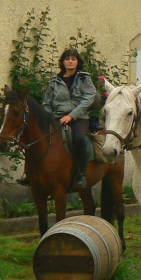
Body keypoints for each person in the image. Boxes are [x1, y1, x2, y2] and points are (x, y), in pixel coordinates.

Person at [39, 48, 97, 189]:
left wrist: (71, 115)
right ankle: (33, 173)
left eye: (73, 59)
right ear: (63, 62)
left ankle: (82, 173)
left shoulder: (84, 78)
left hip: (79, 117)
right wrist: (47, 118)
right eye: (67, 59)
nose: (70, 62)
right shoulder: (54, 81)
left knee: (78, 138)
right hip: (57, 117)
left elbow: (89, 98)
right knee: (39, 138)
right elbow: (47, 103)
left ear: (78, 62)